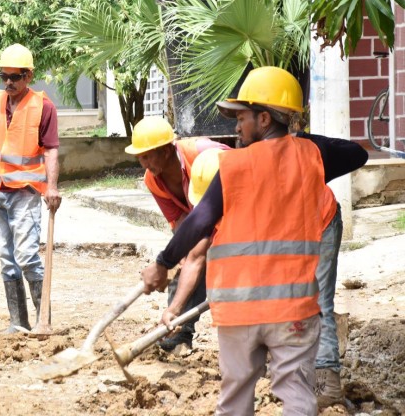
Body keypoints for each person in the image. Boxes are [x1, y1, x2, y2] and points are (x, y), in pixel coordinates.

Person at [141, 66, 368, 414]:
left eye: (242, 117)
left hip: (239, 314)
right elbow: (357, 153)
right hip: (293, 312)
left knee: (234, 398)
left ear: (264, 119)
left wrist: (162, 263)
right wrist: (298, 143)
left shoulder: (232, 167)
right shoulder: (310, 157)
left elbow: (199, 221)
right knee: (296, 395)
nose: (235, 127)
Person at [0, 43, 61, 334]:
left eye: (15, 77)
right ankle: (18, 322)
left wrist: (52, 187)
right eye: (4, 76)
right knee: (7, 260)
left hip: (25, 192)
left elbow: (51, 151)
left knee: (28, 257)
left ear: (28, 76)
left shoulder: (43, 107)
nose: (8, 82)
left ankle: (43, 320)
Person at [124, 117, 229, 353]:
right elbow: (181, 224)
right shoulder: (153, 180)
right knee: (185, 266)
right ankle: (178, 335)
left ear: (166, 150)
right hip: (201, 218)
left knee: (206, 262)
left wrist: (189, 255)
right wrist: (178, 256)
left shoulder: (207, 154)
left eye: (147, 156)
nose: (144, 164)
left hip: (234, 211)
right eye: (140, 158)